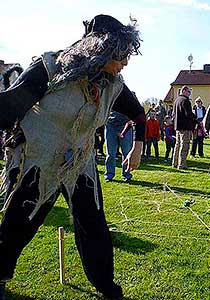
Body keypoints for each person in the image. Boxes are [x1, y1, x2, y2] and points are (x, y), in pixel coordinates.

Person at [0, 15, 145, 300]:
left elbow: (138, 112)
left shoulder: (112, 83)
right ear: (100, 48)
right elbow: (10, 105)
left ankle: (106, 286)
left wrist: (137, 145)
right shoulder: (50, 68)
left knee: (93, 224)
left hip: (80, 164)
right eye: (121, 54)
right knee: (20, 222)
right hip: (38, 162)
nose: (126, 62)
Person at [104, 111, 134, 183]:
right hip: (110, 125)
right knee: (110, 153)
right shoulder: (109, 99)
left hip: (126, 125)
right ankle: (109, 175)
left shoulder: (131, 99)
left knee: (127, 153)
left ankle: (127, 174)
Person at [172, 85, 197, 169]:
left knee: (177, 145)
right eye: (188, 91)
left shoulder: (176, 100)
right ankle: (182, 164)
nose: (189, 94)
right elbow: (188, 114)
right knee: (184, 145)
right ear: (184, 91)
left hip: (177, 126)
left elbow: (173, 114)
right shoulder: (185, 101)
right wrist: (195, 117)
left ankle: (174, 163)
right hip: (185, 126)